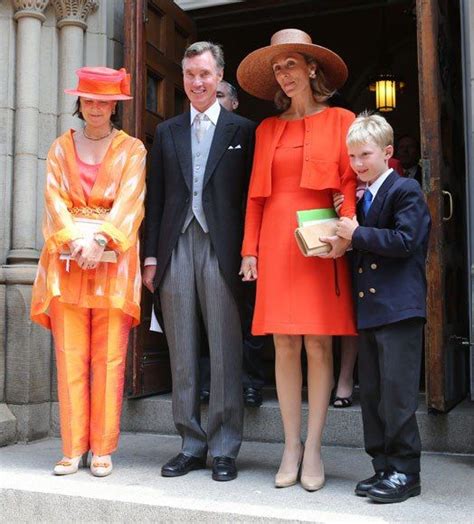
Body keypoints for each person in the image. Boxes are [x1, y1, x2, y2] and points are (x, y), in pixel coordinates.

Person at [237, 29, 357, 491]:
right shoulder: (267, 128)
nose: (284, 75)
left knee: (319, 344)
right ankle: (290, 445)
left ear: (311, 67)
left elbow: (348, 186)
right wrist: (250, 250)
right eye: (277, 68)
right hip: (276, 239)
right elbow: (255, 197)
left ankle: (316, 448)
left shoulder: (342, 119)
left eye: (291, 64)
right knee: (284, 343)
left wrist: (346, 234)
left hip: (322, 241)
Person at [143, 42, 256, 482]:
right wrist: (151, 256)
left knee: (226, 348)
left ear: (219, 75)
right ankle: (191, 443)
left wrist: (251, 251)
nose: (197, 82)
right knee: (183, 352)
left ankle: (225, 447)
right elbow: (157, 199)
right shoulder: (168, 131)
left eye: (205, 74)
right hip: (174, 248)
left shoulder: (243, 130)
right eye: (190, 74)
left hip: (222, 249)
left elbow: (251, 199)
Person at [30, 67, 146, 477]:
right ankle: (72, 446)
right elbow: (53, 198)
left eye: (103, 101)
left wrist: (100, 242)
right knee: (70, 355)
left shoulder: (133, 149)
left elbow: (131, 202)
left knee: (110, 357)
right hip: (67, 260)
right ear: (79, 103)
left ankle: (101, 448)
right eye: (88, 100)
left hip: (113, 263)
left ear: (115, 106)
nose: (95, 108)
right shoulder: (60, 147)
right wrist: (74, 241)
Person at [336, 112, 431, 503]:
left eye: (365, 155)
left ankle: (406, 472)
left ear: (387, 152)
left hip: (400, 309)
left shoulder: (406, 190)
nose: (357, 164)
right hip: (372, 309)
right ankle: (383, 467)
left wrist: (357, 233)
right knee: (373, 393)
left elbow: (406, 240)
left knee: (397, 395)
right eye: (353, 156)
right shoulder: (365, 198)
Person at [199, 80, 266, 408]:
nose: (213, 99)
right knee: (206, 313)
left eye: (221, 95)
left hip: (245, 238)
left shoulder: (248, 133)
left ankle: (251, 383)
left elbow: (257, 187)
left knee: (247, 314)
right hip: (203, 239)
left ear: (235, 103)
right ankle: (208, 383)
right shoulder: (191, 133)